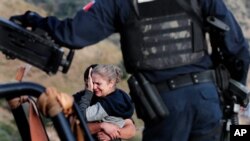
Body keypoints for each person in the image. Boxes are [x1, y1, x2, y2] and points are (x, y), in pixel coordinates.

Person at [10, 0, 250, 140]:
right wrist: (231, 93)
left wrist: (36, 20)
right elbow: (238, 49)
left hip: (165, 106)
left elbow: (72, 34)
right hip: (207, 101)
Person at [73, 64, 135, 140]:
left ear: (110, 83)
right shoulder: (120, 97)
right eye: (91, 83)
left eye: (98, 83)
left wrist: (113, 134)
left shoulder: (109, 102)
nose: (94, 87)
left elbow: (131, 129)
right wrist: (102, 125)